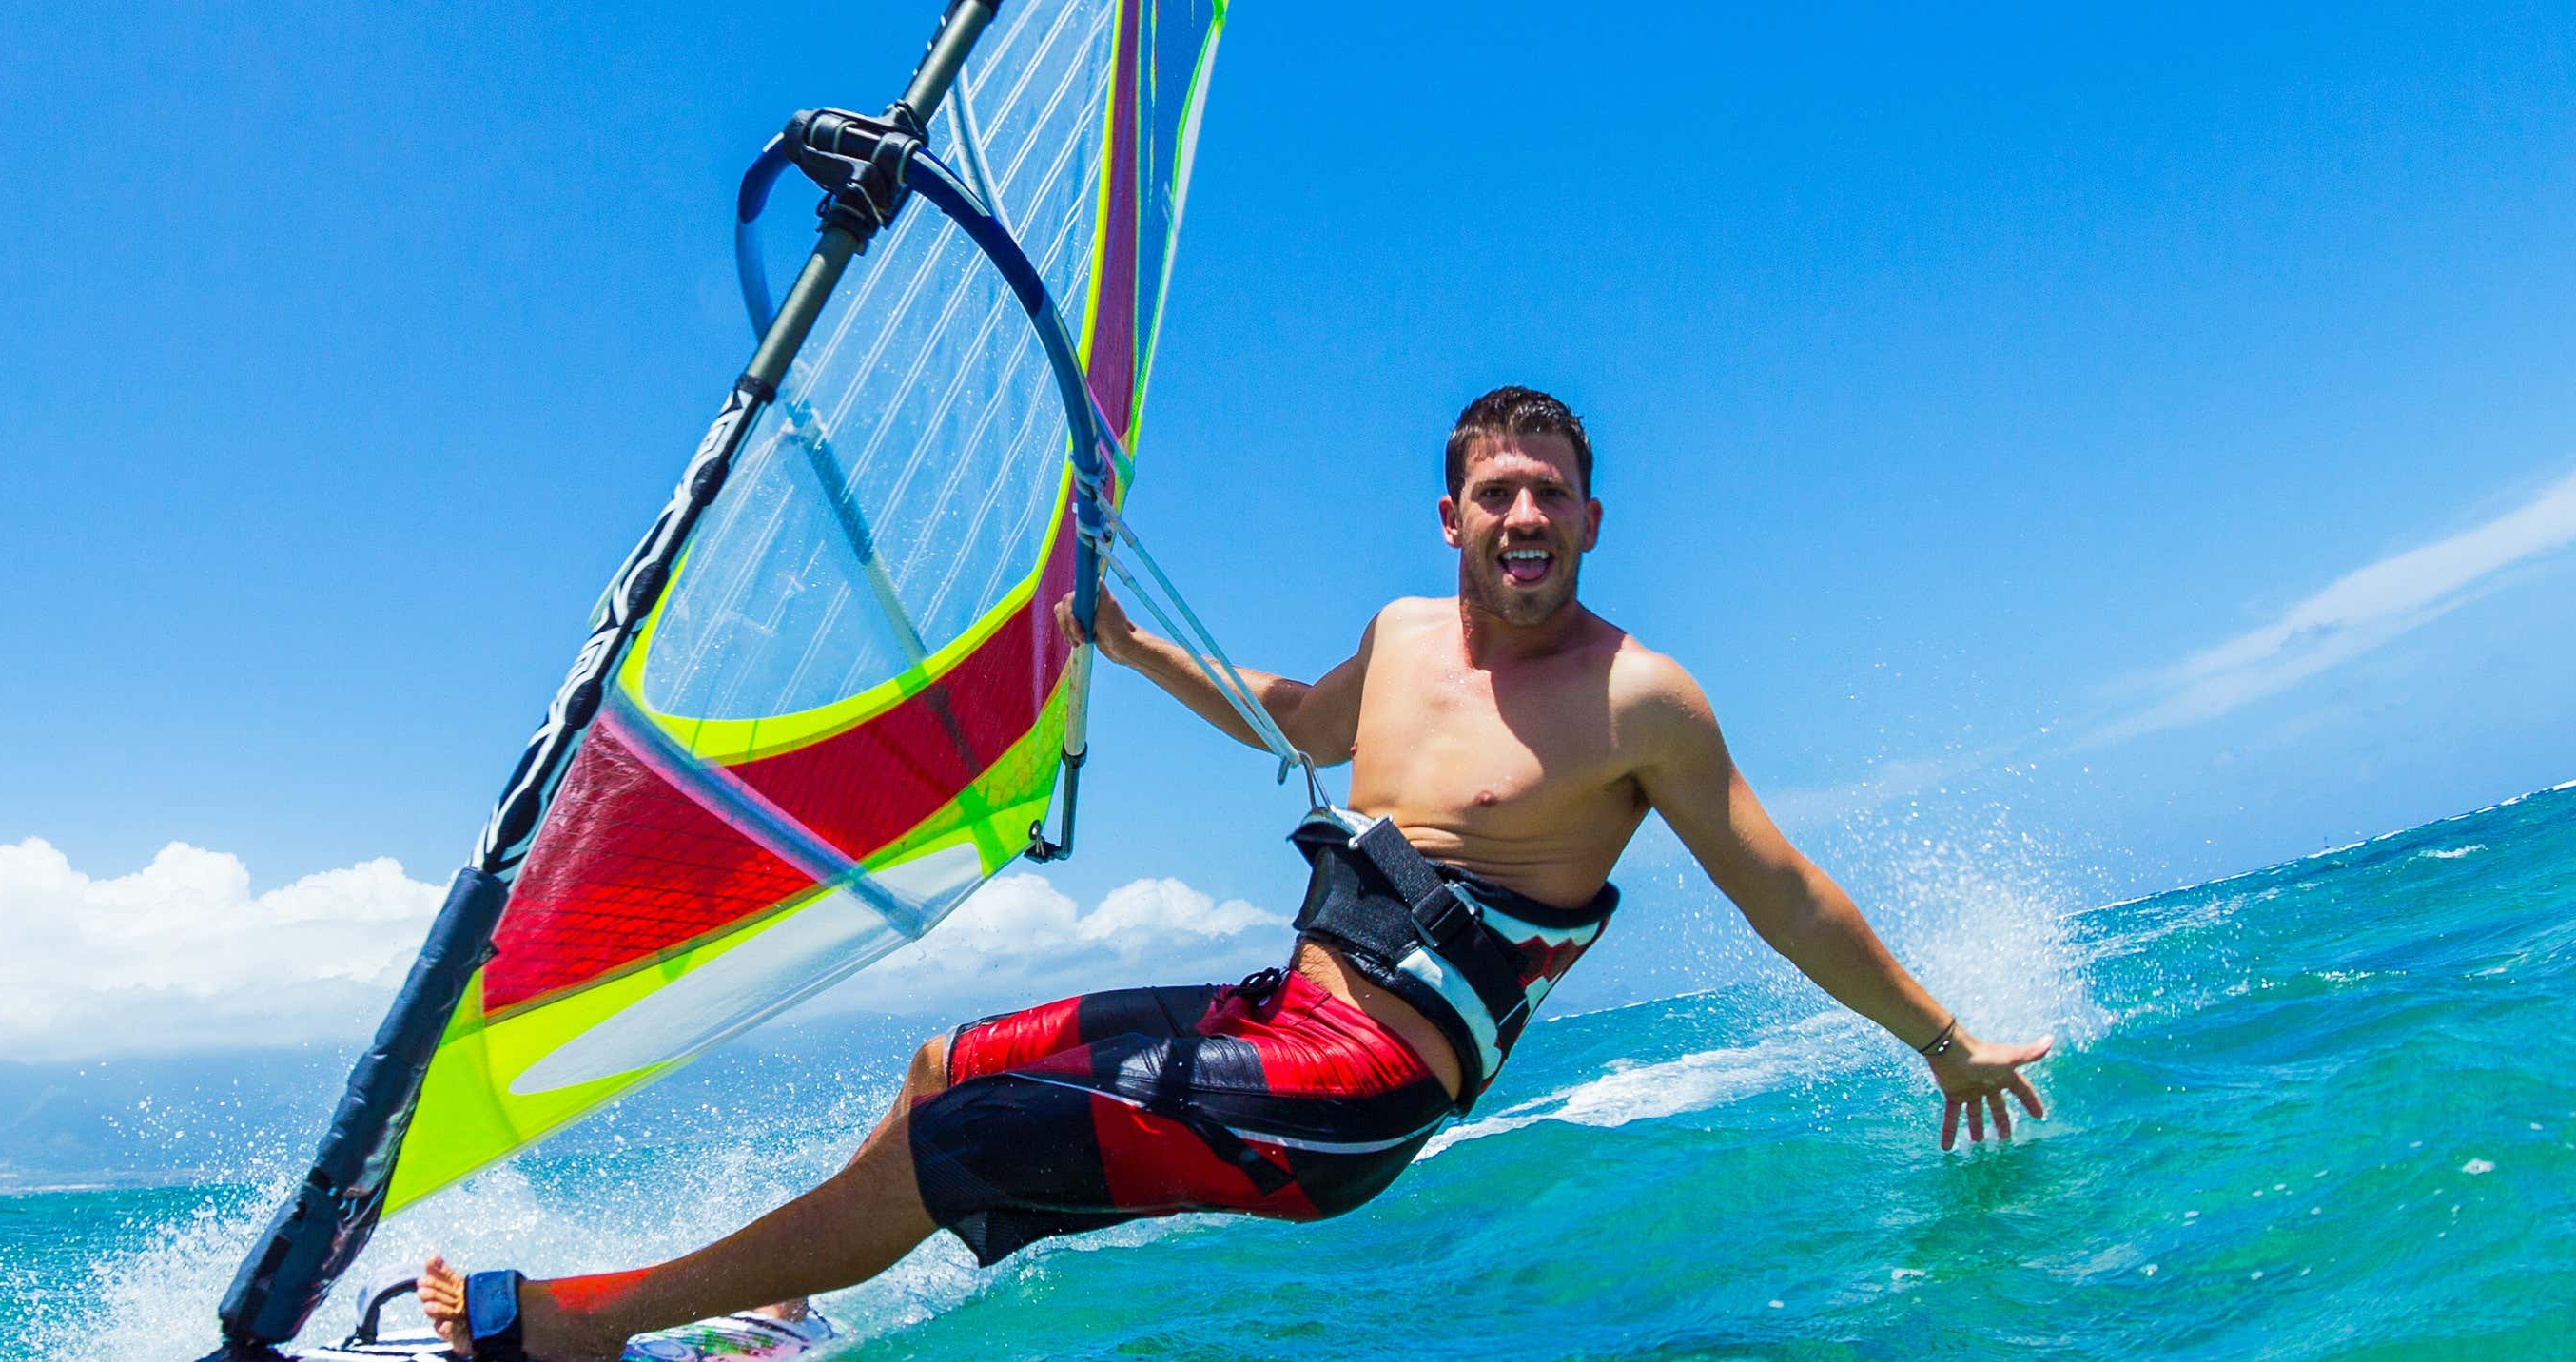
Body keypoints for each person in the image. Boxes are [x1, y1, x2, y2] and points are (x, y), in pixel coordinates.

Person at [418, 386, 2054, 1360]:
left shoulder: (1641, 700)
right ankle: (776, 1320)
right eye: (1499, 495)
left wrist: (1937, 1037)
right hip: (1278, 1013)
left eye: (1553, 496)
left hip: (1358, 1095)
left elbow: (1784, 890)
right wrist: (1122, 649)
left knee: (967, 1139)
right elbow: (1288, 719)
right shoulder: (1408, 641)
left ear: (1596, 520)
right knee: (943, 1071)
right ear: (1451, 517)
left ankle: (589, 1324)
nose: (1526, 517)